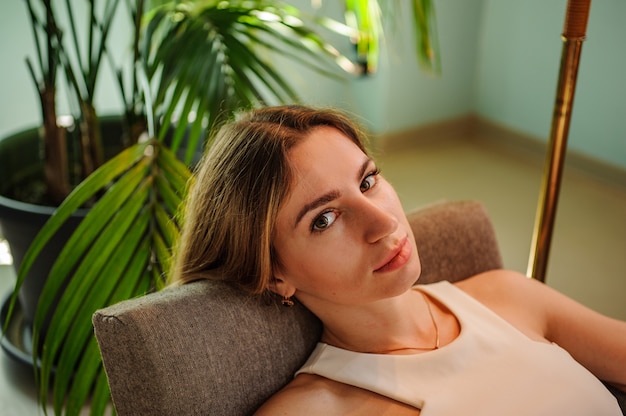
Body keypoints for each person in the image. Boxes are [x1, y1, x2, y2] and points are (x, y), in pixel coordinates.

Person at [171, 105, 626, 415]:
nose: (383, 223)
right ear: (274, 275)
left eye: (368, 182)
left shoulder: (505, 294)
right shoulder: (314, 409)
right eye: (324, 219)